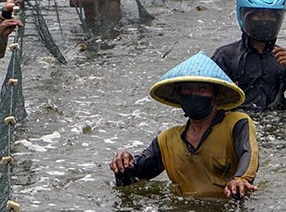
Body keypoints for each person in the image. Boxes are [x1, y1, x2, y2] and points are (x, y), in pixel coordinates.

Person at [109, 51, 259, 200]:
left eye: (201, 89)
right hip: (182, 210)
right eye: (187, 89)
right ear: (179, 96)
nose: (193, 94)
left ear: (216, 95)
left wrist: (241, 179)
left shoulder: (236, 123)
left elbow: (248, 154)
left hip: (226, 207)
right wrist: (123, 163)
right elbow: (133, 179)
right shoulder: (166, 140)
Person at [212, 0, 286, 111]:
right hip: (240, 119)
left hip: (277, 118)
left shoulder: (284, 58)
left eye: (271, 15)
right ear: (243, 16)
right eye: (258, 14)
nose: (265, 20)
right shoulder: (226, 56)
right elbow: (209, 101)